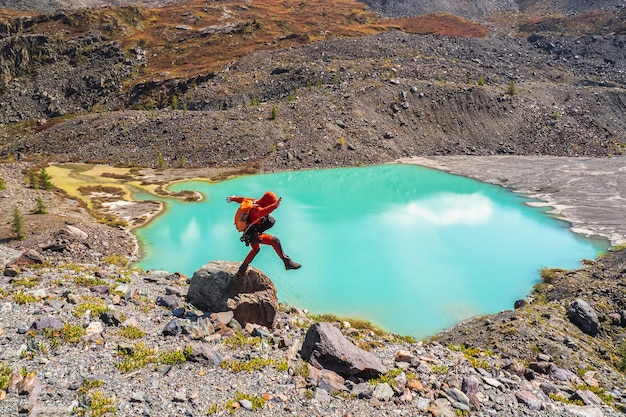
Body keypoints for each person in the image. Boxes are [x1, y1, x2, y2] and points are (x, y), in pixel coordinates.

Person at [226, 191, 301, 275]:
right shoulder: (257, 210)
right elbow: (262, 212)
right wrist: (274, 206)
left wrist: (233, 198)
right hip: (251, 235)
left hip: (249, 230)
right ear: (267, 203)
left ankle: (242, 269)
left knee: (256, 248)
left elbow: (243, 199)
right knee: (275, 241)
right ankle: (288, 263)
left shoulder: (255, 202)